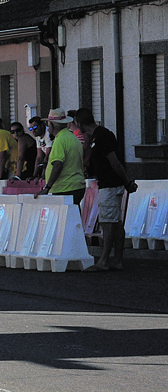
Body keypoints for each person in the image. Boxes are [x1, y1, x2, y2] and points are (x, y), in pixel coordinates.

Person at [74, 108, 137, 271]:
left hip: (110, 184)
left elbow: (114, 162)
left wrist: (127, 182)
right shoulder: (97, 136)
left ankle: (103, 261)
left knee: (108, 223)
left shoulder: (102, 136)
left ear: (80, 123)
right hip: (110, 183)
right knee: (115, 223)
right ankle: (116, 260)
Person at [35, 108, 87, 205]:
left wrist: (47, 187)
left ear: (52, 125)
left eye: (48, 124)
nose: (47, 127)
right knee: (74, 216)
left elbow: (58, 164)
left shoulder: (60, 140)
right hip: (77, 185)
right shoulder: (72, 137)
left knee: (65, 218)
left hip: (64, 188)